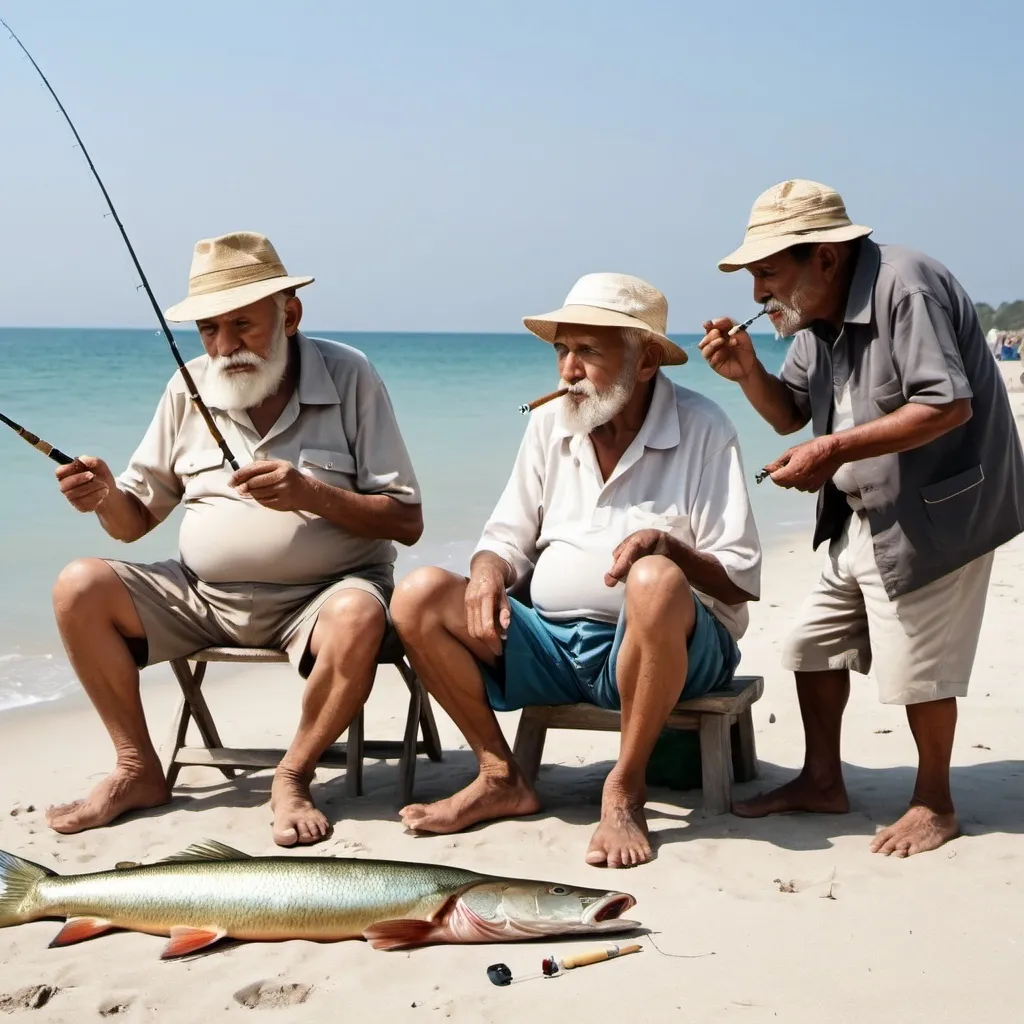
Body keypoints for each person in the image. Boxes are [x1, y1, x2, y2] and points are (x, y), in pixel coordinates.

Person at [47, 231, 423, 847]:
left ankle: (293, 776)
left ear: (290, 314)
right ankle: (138, 769)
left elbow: (407, 521)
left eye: (242, 325)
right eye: (209, 330)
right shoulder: (187, 386)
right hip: (203, 596)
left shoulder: (351, 376)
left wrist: (314, 495)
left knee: (358, 614)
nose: (225, 347)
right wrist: (104, 496)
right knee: (78, 585)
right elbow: (134, 521)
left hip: (322, 600)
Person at [391, 273, 761, 868]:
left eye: (588, 351)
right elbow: (505, 538)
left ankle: (625, 788)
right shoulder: (550, 423)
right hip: (553, 646)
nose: (566, 370)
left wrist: (668, 550)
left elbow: (740, 577)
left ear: (643, 364)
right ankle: (498, 775)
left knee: (656, 579)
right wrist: (487, 572)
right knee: (418, 594)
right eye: (562, 350)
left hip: (675, 651)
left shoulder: (704, 427)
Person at [700, 179, 1024, 857]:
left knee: (918, 672)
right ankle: (823, 781)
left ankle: (935, 801)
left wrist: (831, 448)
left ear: (823, 256)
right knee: (809, 647)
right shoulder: (814, 312)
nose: (757, 294)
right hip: (859, 514)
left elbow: (947, 405)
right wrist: (745, 373)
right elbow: (792, 412)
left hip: (935, 514)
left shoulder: (906, 286)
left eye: (766, 273)